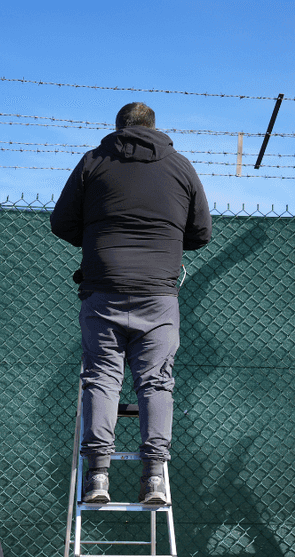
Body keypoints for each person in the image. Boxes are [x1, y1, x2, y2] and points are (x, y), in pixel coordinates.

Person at [50, 102, 211, 504]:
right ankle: (154, 477)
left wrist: (97, 240)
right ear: (155, 127)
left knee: (102, 376)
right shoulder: (180, 166)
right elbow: (201, 232)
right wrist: (166, 243)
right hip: (158, 294)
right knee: (156, 381)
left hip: (102, 288)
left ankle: (97, 477)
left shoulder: (94, 161)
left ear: (118, 127)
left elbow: (61, 222)